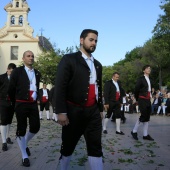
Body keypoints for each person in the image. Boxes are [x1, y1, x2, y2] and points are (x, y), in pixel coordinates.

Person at [54, 29, 103, 170]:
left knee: (95, 146)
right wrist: (61, 111)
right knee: (68, 146)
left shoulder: (98, 64)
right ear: (82, 40)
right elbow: (60, 86)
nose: (94, 43)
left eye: (96, 41)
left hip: (93, 112)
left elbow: (98, 88)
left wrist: (99, 109)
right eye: (91, 40)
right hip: (73, 111)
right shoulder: (69, 59)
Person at [8, 50, 41, 167]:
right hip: (21, 103)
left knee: (36, 127)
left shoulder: (37, 73)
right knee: (21, 128)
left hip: (32, 104)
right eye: (28, 56)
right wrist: (14, 102)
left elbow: (36, 87)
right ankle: (24, 156)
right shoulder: (17, 71)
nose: (31, 58)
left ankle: (24, 143)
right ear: (23, 59)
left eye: (32, 56)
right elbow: (11, 88)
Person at [131, 65, 154, 141]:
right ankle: (134, 131)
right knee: (143, 115)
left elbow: (149, 90)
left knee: (147, 116)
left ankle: (145, 134)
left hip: (148, 99)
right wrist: (137, 99)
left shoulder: (150, 79)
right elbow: (136, 89)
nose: (149, 69)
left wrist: (151, 97)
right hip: (142, 99)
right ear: (144, 70)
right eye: (147, 68)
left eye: (150, 69)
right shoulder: (141, 79)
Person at [0, 63, 16, 151]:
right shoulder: (1, 77)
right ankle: (4, 142)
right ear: (7, 69)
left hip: (12, 102)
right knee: (3, 121)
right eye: (10, 70)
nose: (11, 72)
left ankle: (7, 137)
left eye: (13, 71)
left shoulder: (15, 80)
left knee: (9, 121)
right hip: (2, 101)